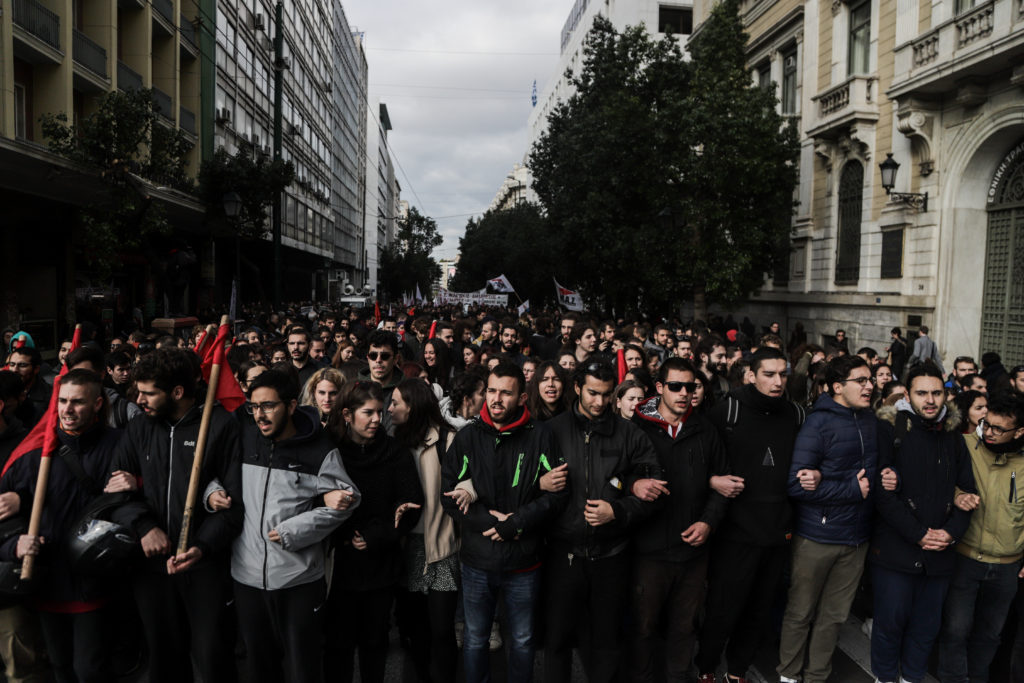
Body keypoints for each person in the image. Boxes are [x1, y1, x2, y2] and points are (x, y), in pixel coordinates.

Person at [107, 348, 243, 683]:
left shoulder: (221, 426)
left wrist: (202, 546)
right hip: (152, 566)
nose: (139, 400)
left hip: (206, 567)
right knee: (164, 658)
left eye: (149, 392)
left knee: (213, 657)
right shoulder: (140, 426)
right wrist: (144, 527)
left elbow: (236, 502)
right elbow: (115, 488)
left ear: (178, 392)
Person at [440, 363, 567, 683]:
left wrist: (517, 523)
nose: (496, 399)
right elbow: (448, 496)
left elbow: (557, 496)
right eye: (492, 391)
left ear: (522, 397)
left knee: (522, 641)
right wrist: (489, 522)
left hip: (524, 561)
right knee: (474, 639)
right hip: (477, 561)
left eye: (506, 393)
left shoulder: (541, 436)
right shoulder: (467, 437)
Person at [231, 369, 359, 683]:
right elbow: (212, 474)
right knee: (260, 667)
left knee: (303, 668)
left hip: (299, 581)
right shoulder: (242, 436)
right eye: (254, 407)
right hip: (246, 579)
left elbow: (348, 499)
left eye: (269, 406)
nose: (259, 415)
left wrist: (295, 531)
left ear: (290, 406)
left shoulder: (319, 449)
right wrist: (210, 494)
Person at [0, 370, 123, 683]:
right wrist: (14, 545)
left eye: (77, 402)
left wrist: (132, 487)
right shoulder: (33, 456)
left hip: (94, 583)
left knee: (90, 670)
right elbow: (4, 528)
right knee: (60, 667)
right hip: (47, 581)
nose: (67, 409)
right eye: (63, 401)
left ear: (97, 404)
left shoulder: (120, 447)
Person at [542, 362, 660, 682]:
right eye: (593, 393)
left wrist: (618, 511)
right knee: (556, 640)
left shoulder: (630, 433)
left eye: (607, 395)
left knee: (607, 642)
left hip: (612, 554)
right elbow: (526, 486)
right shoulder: (552, 430)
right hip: (563, 554)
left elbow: (654, 489)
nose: (599, 402)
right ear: (577, 388)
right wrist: (539, 484)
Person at [696, 347, 807, 683]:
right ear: (751, 374)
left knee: (759, 608)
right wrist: (712, 480)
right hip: (734, 530)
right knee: (723, 606)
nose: (777, 382)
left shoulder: (796, 414)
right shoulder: (727, 409)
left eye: (782, 374)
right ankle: (705, 666)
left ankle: (738, 668)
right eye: (769, 374)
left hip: (776, 531)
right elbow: (699, 459)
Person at [869, 364, 976, 683]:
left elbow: (969, 491)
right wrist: (918, 534)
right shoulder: (890, 428)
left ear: (945, 394)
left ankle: (912, 678)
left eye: (936, 392)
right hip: (896, 551)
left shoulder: (954, 435)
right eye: (922, 393)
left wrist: (950, 533)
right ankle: (885, 678)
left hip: (940, 554)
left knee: (926, 627)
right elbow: (882, 493)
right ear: (907, 394)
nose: (930, 400)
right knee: (890, 625)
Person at [777, 355, 879, 683]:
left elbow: (873, 478)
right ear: (837, 387)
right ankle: (789, 676)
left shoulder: (871, 420)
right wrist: (850, 489)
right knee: (800, 613)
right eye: (860, 381)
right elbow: (796, 484)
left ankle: (816, 677)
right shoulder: (817, 423)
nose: (870, 386)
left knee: (834, 617)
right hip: (817, 537)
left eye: (871, 379)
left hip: (857, 538)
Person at [630, 357, 728, 682]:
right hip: (649, 550)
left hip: (693, 551)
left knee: (684, 628)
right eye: (675, 386)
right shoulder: (635, 428)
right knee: (643, 628)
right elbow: (615, 477)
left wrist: (708, 522)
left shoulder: (706, 430)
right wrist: (632, 484)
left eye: (690, 386)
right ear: (659, 388)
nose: (684, 393)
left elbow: (721, 483)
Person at [326, 381, 424, 683]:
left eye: (379, 412)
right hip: (338, 565)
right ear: (347, 414)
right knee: (338, 647)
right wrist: (344, 533)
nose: (376, 420)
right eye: (368, 412)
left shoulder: (395, 453)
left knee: (374, 644)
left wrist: (377, 535)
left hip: (380, 565)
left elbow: (411, 504)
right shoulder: (331, 452)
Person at [938, 393, 1024, 683]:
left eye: (999, 429)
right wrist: (959, 496)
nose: (989, 432)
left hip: (1008, 567)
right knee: (955, 630)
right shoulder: (965, 447)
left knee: (989, 635)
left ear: (1020, 431)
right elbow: (939, 482)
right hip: (965, 558)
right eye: (987, 424)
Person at [390, 378, 460, 683]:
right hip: (410, 547)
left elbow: (468, 480)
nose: (389, 408)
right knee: (415, 627)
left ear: (413, 405)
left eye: (395, 402)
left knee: (442, 628)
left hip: (441, 545)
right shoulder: (395, 442)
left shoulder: (448, 439)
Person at [358, 330, 402, 433]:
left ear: (395, 359)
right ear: (368, 358)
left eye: (385, 356)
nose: (378, 360)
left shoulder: (406, 391)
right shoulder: (354, 389)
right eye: (373, 355)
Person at [7, 346, 51, 428]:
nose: (15, 370)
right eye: (12, 364)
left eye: (22, 365)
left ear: (36, 369)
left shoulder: (49, 396)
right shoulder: (4, 390)